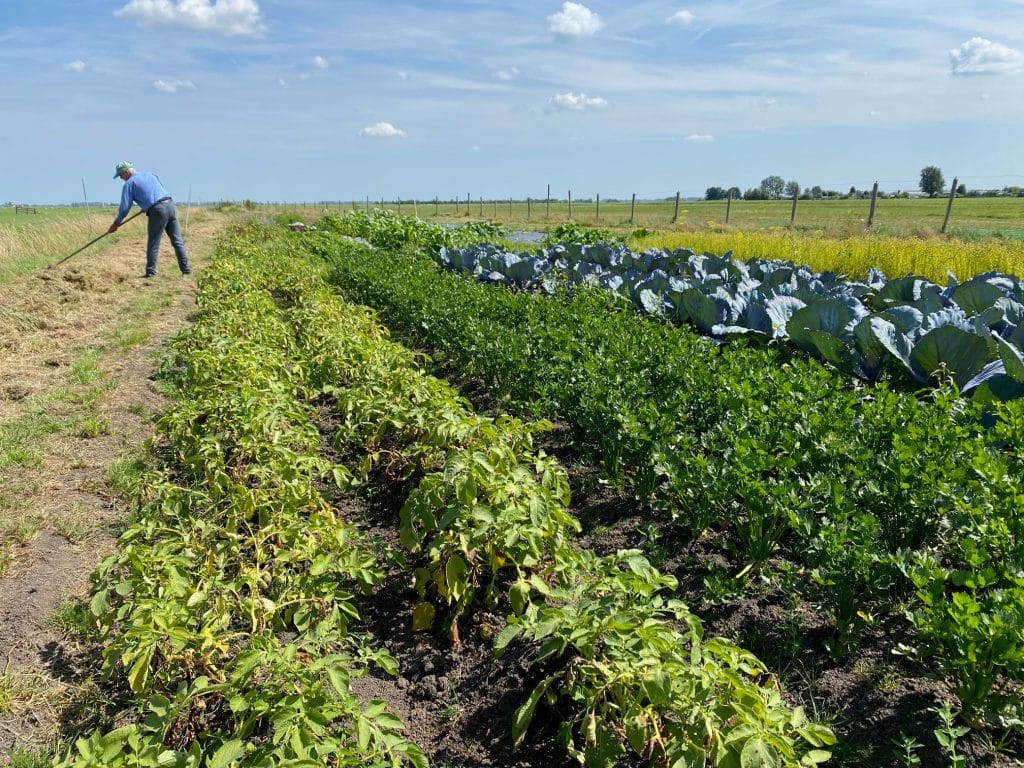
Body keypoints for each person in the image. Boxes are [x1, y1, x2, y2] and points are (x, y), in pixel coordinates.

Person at [108, 161, 191, 278]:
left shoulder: (129, 184)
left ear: (126, 172)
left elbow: (125, 208)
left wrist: (116, 223)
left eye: (121, 175)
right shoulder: (150, 174)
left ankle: (151, 273)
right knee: (177, 241)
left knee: (153, 243)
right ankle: (186, 270)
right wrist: (146, 205)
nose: (121, 178)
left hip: (157, 210)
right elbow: (158, 190)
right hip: (171, 205)